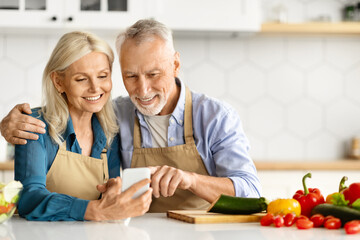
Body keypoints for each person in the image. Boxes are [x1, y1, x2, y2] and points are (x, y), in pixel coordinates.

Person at [0, 19, 261, 212]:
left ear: (176, 65)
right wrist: (6, 125)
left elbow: (251, 194)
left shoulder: (215, 117)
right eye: (131, 76)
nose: (143, 89)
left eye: (153, 74)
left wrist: (190, 179)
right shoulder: (114, 115)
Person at [12, 31, 152, 221]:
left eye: (103, 76)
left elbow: (106, 199)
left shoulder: (110, 131)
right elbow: (29, 198)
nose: (95, 88)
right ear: (58, 82)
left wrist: (111, 193)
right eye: (81, 79)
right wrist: (92, 210)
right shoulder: (33, 125)